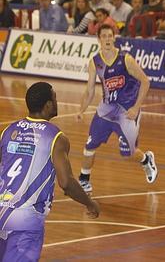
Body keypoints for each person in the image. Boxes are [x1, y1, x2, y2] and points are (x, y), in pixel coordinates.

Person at [0, 82, 100, 261]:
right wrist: (89, 203)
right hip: (26, 222)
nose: (57, 102)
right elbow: (66, 183)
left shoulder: (8, 131)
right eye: (55, 98)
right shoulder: (56, 137)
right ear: (48, 105)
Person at [76, 25, 158, 193]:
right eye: (103, 36)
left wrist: (136, 108)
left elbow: (145, 81)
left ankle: (145, 159)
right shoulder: (95, 62)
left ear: (114, 38)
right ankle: (84, 179)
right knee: (90, 145)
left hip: (126, 111)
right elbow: (90, 89)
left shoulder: (125, 59)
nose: (107, 39)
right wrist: (81, 110)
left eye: (110, 36)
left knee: (128, 153)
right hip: (106, 110)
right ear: (98, 39)